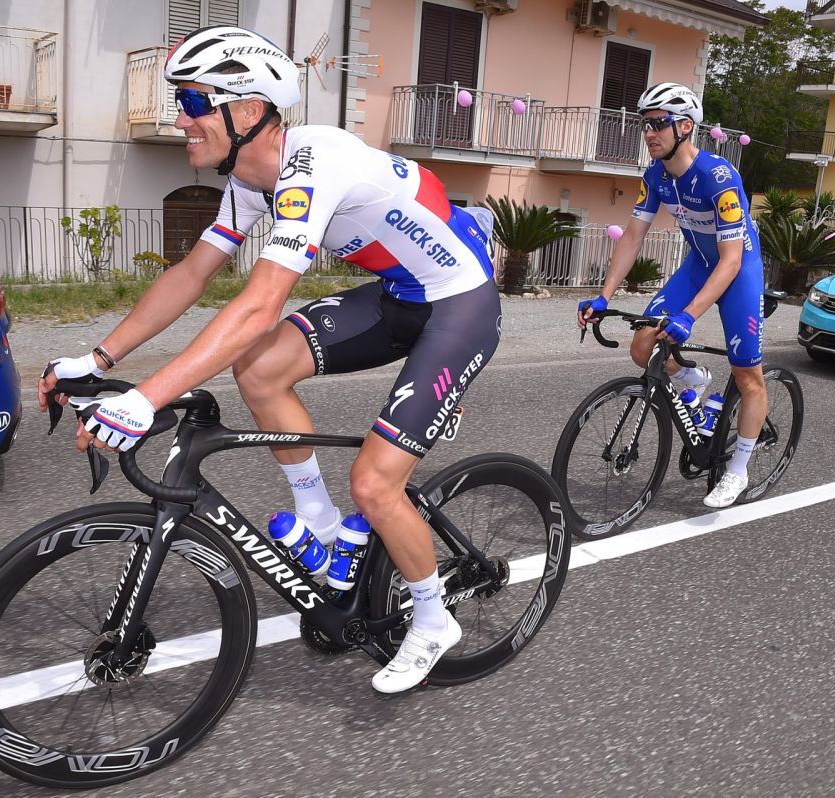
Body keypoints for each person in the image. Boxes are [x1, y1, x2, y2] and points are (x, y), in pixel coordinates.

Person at [37, 26, 501, 693]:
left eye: (194, 102)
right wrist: (96, 358)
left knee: (375, 484)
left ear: (250, 110)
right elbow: (192, 274)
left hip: (460, 306)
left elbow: (259, 304)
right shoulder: (251, 181)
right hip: (400, 295)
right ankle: (318, 520)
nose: (180, 120)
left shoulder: (316, 163)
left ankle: (432, 618)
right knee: (257, 368)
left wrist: (144, 399)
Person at [577, 82, 767, 509]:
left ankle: (738, 469)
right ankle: (693, 380)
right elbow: (633, 236)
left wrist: (689, 316)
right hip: (698, 265)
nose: (649, 133)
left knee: (747, 376)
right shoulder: (656, 176)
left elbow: (731, 261)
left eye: (658, 123)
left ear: (685, 126)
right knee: (643, 345)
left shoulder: (719, 177)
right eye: (645, 125)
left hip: (738, 269)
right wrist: (602, 296)